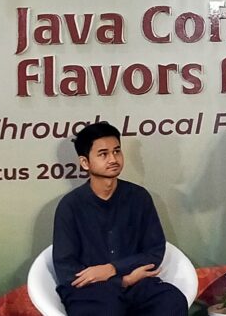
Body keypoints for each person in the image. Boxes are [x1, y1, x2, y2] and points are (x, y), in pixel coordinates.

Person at [52, 122, 188, 316]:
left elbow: (154, 251)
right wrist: (120, 281)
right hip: (90, 292)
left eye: (116, 151)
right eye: (103, 154)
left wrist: (113, 269)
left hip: (136, 284)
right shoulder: (70, 206)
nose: (113, 159)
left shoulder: (139, 197)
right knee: (107, 308)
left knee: (172, 300)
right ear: (85, 162)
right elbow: (66, 268)